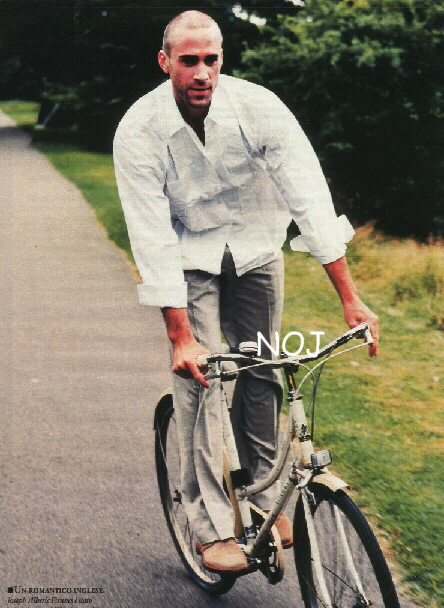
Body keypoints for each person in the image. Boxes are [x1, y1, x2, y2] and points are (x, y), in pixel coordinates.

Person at [114, 10, 379, 573]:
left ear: (222, 59)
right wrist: (180, 337)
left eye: (211, 59)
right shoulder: (139, 130)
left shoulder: (259, 108)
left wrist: (350, 298)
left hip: (257, 249)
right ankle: (211, 528)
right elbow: (151, 235)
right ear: (165, 62)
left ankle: (262, 496)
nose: (202, 73)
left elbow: (309, 198)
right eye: (189, 61)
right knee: (203, 377)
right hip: (189, 257)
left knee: (264, 370)